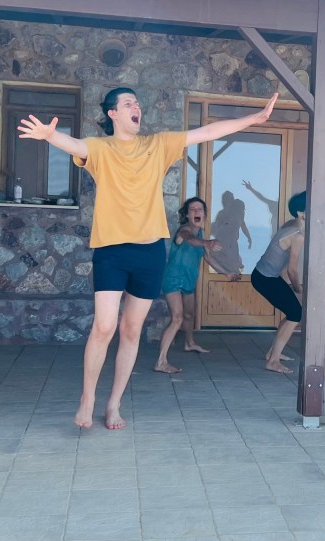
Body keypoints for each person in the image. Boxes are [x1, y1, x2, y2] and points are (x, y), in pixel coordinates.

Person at [18, 87, 277, 429]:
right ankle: (87, 399)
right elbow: (77, 146)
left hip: (150, 251)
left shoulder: (159, 145)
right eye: (128, 103)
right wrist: (51, 136)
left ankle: (114, 404)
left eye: (138, 103)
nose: (136, 107)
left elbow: (207, 132)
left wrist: (254, 119)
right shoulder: (101, 148)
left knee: (131, 330)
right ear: (113, 113)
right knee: (104, 327)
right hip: (112, 250)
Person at [154, 197, 240, 374]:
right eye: (192, 209)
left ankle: (189, 343)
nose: (196, 212)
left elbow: (208, 258)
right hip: (173, 279)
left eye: (200, 209)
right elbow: (189, 239)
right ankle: (161, 362)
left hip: (188, 279)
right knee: (177, 318)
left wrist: (227, 273)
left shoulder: (201, 233)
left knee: (189, 314)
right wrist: (207, 243)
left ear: (205, 214)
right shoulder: (184, 231)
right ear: (187, 214)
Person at [251, 192, 307, 374]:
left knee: (293, 312)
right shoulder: (298, 235)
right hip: (265, 279)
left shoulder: (291, 224)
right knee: (295, 314)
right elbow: (291, 270)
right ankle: (273, 361)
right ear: (301, 213)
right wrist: (299, 289)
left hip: (266, 276)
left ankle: (272, 353)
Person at [211, 190, 252, 274]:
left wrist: (249, 237)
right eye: (223, 200)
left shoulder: (236, 214)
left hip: (231, 245)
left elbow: (243, 225)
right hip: (222, 245)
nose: (223, 202)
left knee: (233, 268)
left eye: (226, 199)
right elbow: (217, 230)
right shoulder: (222, 214)